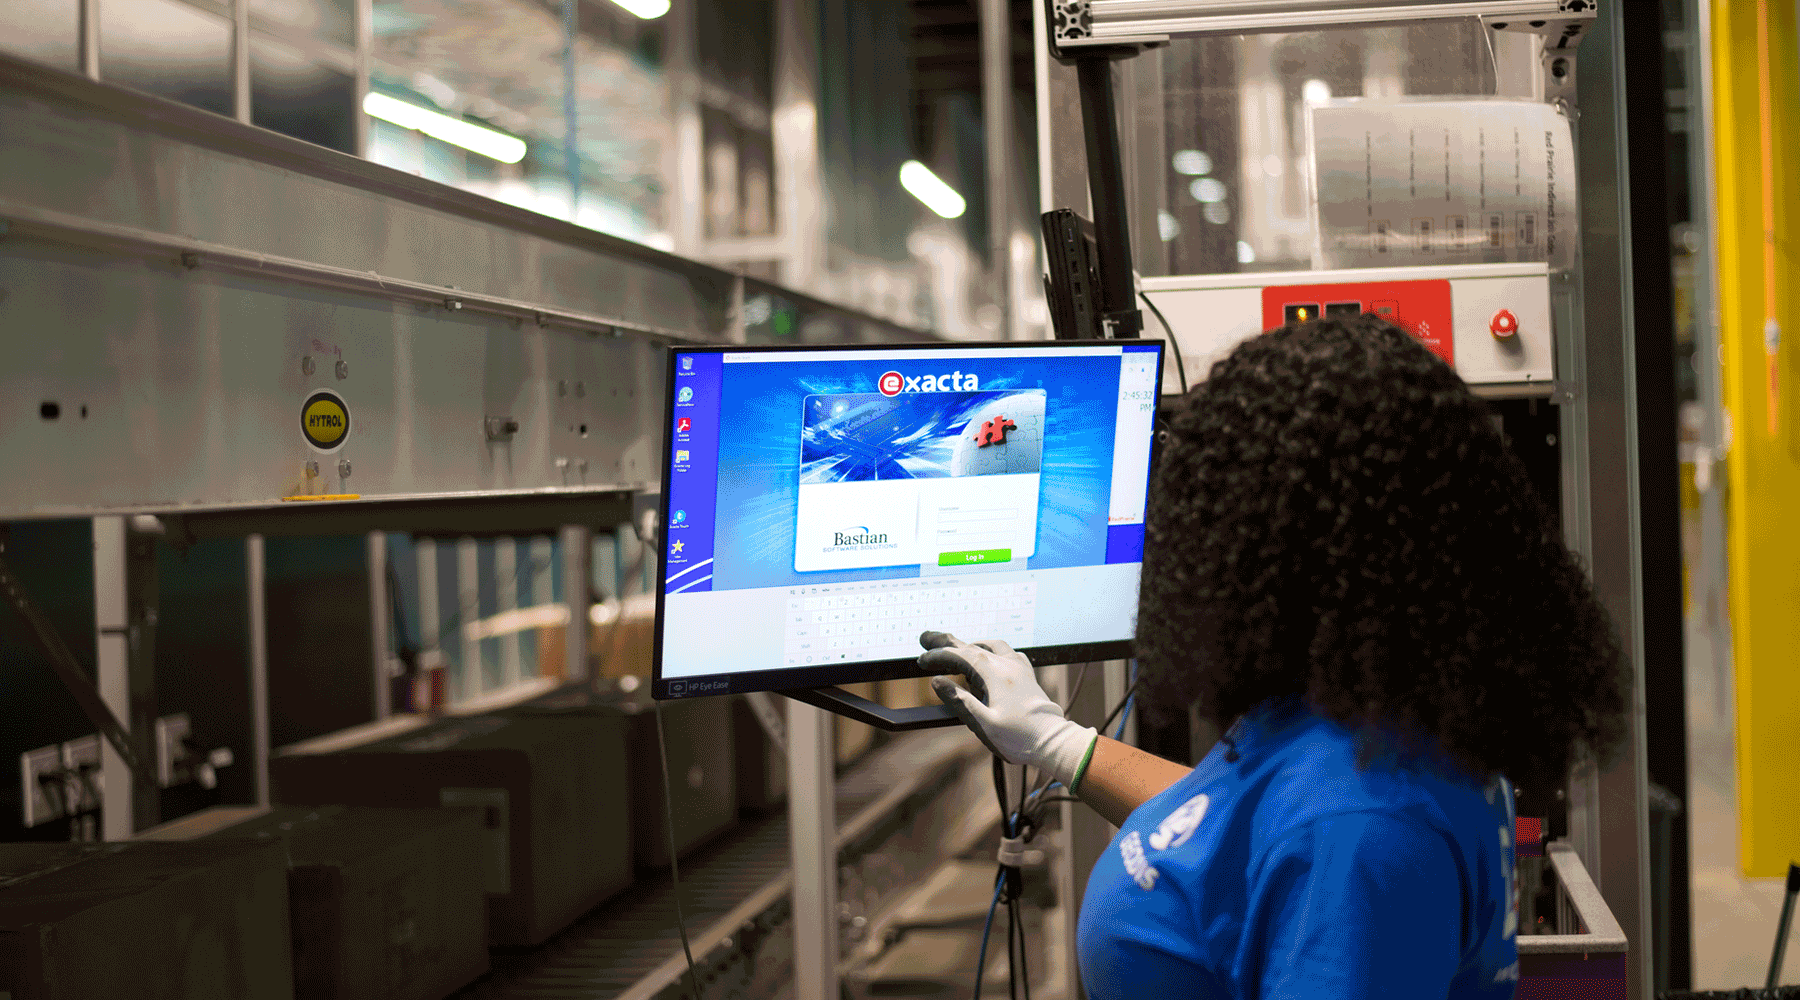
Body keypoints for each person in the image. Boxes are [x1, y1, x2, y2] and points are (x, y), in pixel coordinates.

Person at [918, 314, 1627, 999]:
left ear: (1271, 536)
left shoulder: (1362, 826)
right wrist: (1056, 741)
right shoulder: (1362, 727)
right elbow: (1241, 830)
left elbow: (1317, 837)